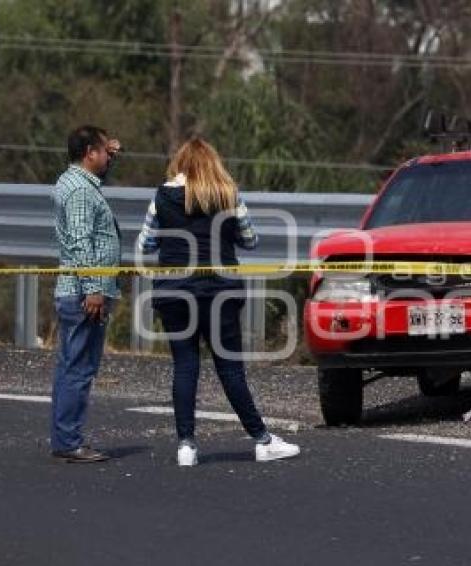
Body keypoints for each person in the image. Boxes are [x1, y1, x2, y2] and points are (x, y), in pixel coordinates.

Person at [136, 137, 299, 466]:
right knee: (229, 369)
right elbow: (250, 240)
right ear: (213, 163)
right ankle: (261, 440)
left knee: (185, 366)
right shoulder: (227, 194)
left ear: (180, 162)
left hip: (173, 290)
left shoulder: (162, 196)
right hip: (219, 290)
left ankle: (186, 445)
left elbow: (145, 245)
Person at [51, 125, 122, 463]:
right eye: (104, 151)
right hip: (83, 295)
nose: (108, 155)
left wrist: (112, 159)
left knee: (72, 366)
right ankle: (68, 441)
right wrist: (94, 288)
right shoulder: (80, 191)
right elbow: (81, 241)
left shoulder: (75, 182)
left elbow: (93, 196)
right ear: (89, 153)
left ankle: (65, 437)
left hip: (76, 290)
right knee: (78, 368)